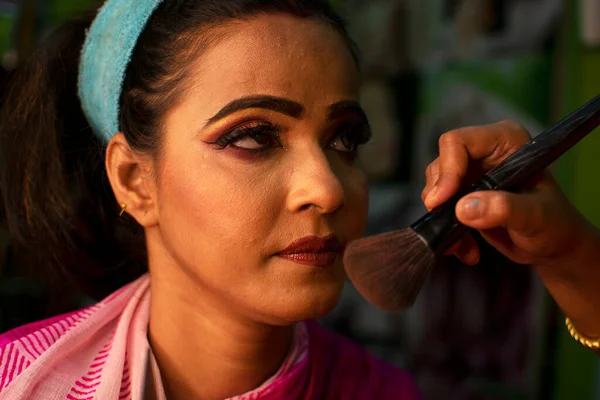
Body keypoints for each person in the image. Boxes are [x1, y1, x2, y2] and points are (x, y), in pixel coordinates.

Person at [0, 1, 598, 400]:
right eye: (253, 136)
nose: (329, 187)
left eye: (344, 139)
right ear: (134, 180)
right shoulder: (16, 379)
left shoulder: (382, 395)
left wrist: (577, 260)